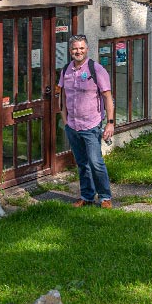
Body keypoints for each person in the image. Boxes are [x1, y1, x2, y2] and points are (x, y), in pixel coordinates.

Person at [58, 34, 117, 208]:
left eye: (81, 48)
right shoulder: (66, 70)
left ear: (87, 49)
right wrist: (65, 120)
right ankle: (87, 196)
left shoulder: (96, 70)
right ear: (70, 51)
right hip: (72, 126)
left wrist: (110, 123)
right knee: (82, 163)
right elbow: (62, 96)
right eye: (75, 48)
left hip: (91, 125)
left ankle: (105, 197)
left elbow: (107, 97)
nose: (78, 51)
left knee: (95, 162)